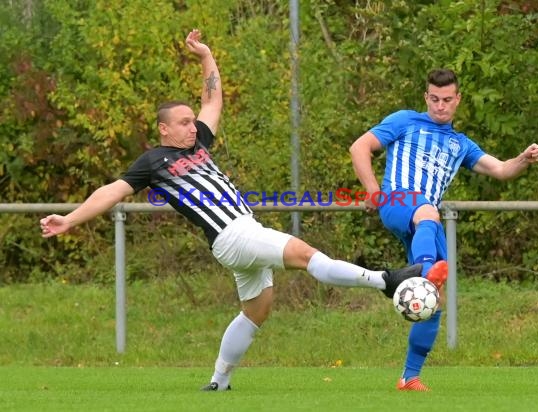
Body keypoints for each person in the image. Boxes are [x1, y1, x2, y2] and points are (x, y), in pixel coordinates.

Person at [39, 29, 447, 392]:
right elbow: (112, 191)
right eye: (181, 123)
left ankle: (218, 381)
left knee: (257, 310)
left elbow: (212, 98)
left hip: (240, 233)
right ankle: (388, 280)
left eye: (190, 121)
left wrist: (205, 57)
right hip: (233, 235)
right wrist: (70, 219)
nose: (190, 126)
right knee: (305, 255)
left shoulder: (197, 143)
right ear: (163, 129)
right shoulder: (154, 162)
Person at [350, 68, 538, 391]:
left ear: (458, 100)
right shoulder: (404, 121)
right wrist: (373, 193)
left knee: (434, 301)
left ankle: (410, 376)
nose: (440, 106)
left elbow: (499, 169)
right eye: (434, 99)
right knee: (428, 214)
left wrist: (524, 158)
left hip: (426, 223)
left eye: (447, 100)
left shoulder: (460, 144)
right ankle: (427, 272)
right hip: (399, 202)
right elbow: (360, 148)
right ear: (426, 97)